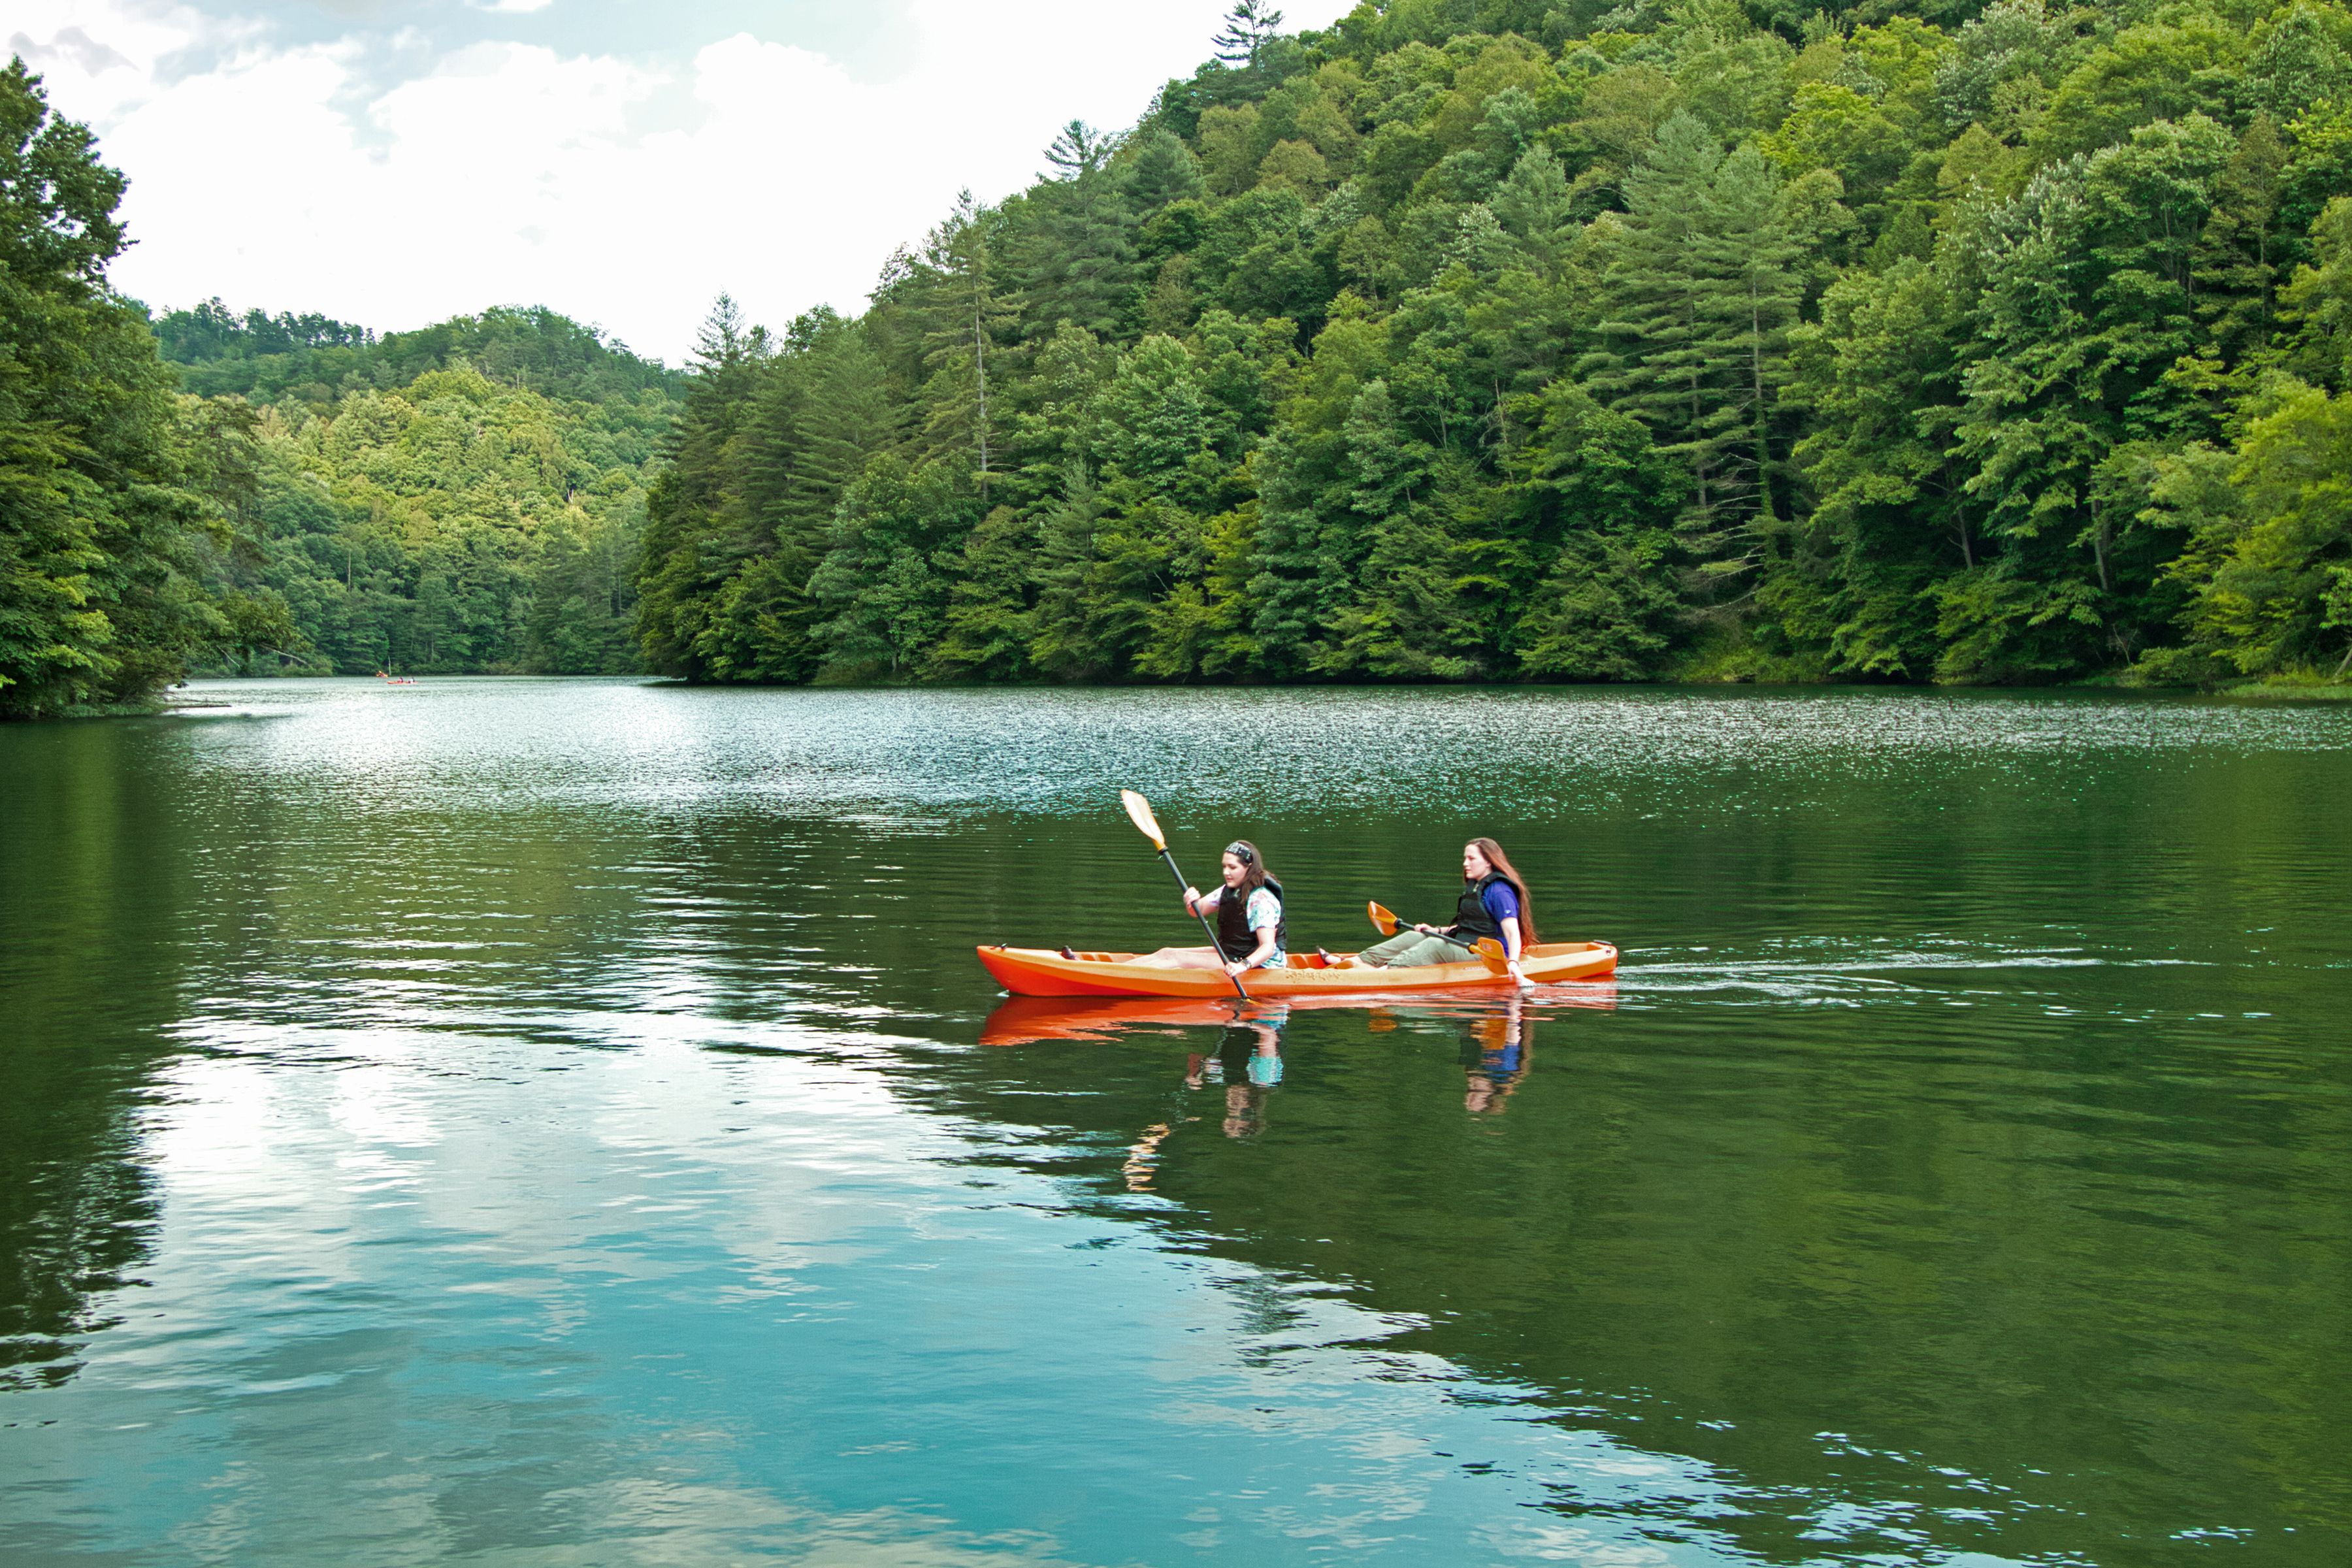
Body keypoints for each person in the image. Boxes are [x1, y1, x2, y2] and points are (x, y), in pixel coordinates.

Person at [1354, 838, 1539, 990]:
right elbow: (1472, 926)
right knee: (1417, 935)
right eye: (1465, 858)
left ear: (1489, 861)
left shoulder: (1500, 892)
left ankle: (1379, 974)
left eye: (1471, 859)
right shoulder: (1476, 886)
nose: (1465, 863)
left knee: (1435, 945)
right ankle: (1356, 961)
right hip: (1466, 945)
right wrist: (1437, 930)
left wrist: (1513, 961)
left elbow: (1512, 932)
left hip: (1490, 955)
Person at [1109, 841, 1287, 976]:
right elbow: (1198, 911)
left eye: (1232, 867)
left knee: (1177, 959)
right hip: (1234, 953)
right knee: (1167, 952)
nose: (1226, 872)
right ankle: (1113, 971)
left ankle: (1114, 975)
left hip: (1261, 965)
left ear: (1249, 867)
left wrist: (1243, 966)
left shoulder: (1261, 899)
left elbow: (1268, 947)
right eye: (1224, 866)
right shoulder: (1230, 890)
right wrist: (1192, 901)